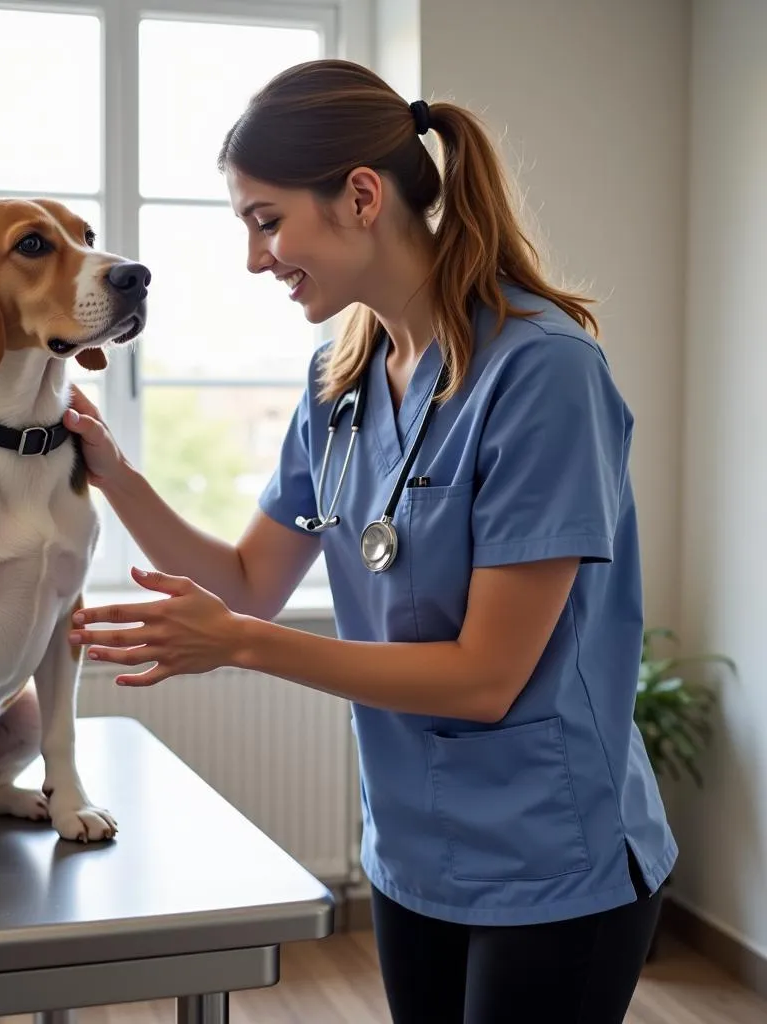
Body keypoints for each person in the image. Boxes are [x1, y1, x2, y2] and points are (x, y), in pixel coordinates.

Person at [62, 59, 675, 1024]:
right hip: (409, 848)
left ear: (359, 196)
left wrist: (240, 646)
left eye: (266, 221)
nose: (256, 258)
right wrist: (113, 473)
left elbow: (485, 676)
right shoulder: (337, 379)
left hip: (554, 857)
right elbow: (249, 579)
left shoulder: (545, 372)